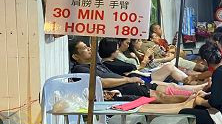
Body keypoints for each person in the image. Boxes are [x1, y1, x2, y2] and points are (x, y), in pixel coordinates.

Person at [68, 39, 205, 102]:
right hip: (125, 86)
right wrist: (128, 79)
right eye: (85, 48)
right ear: (75, 56)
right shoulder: (80, 69)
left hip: (133, 80)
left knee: (169, 87)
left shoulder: (96, 64)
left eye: (88, 46)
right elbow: (101, 83)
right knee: (161, 95)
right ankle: (193, 97)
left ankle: (197, 90)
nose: (89, 48)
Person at [100, 38, 190, 83]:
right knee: (170, 67)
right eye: (116, 49)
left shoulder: (115, 60)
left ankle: (190, 80)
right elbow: (132, 69)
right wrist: (145, 58)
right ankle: (188, 80)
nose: (117, 51)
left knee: (171, 67)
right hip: (142, 78)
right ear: (111, 50)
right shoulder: (110, 64)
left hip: (144, 74)